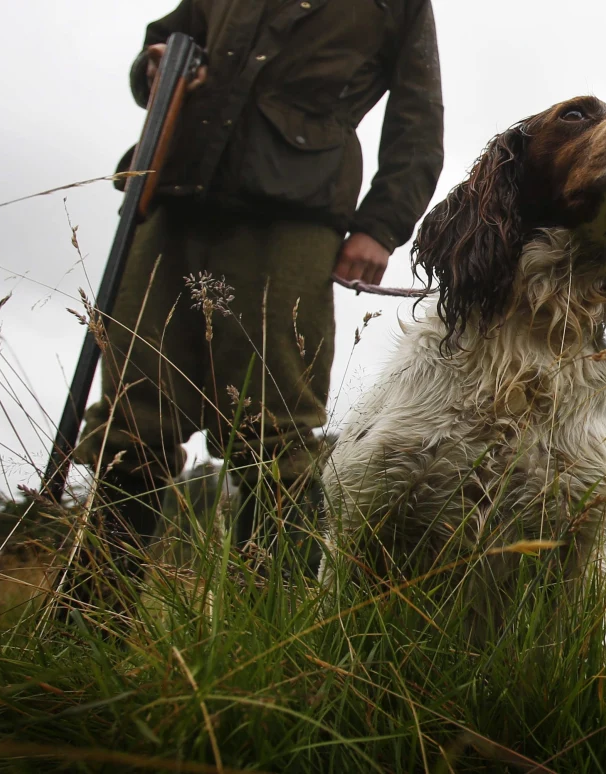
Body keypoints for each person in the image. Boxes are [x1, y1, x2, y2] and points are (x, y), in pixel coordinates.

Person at [65, 0, 444, 612]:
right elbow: (167, 38)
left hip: (291, 219)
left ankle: (268, 642)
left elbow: (419, 119)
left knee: (275, 439)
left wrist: (381, 224)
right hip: (170, 194)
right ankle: (87, 626)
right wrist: (154, 65)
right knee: (130, 428)